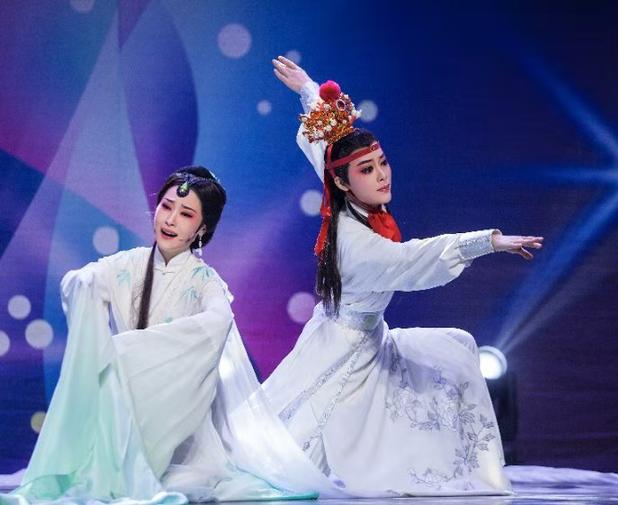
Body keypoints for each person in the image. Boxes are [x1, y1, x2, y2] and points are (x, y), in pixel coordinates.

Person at [265, 56, 544, 497]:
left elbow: (326, 146)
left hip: (369, 337)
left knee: (456, 347)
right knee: (292, 460)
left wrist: (307, 88)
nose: (381, 176)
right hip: (344, 355)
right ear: (344, 183)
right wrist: (489, 241)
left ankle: (465, 466)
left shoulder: (342, 189)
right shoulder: (358, 245)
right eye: (368, 170)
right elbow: (417, 258)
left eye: (382, 163)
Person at [2, 167, 333, 505]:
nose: (170, 219)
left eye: (186, 214)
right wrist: (84, 282)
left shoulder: (204, 280)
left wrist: (131, 349)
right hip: (124, 396)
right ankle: (109, 465)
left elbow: (218, 320)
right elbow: (84, 278)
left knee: (118, 364)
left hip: (175, 418)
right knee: (106, 367)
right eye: (166, 206)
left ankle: (124, 468)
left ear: (202, 229)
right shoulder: (129, 263)